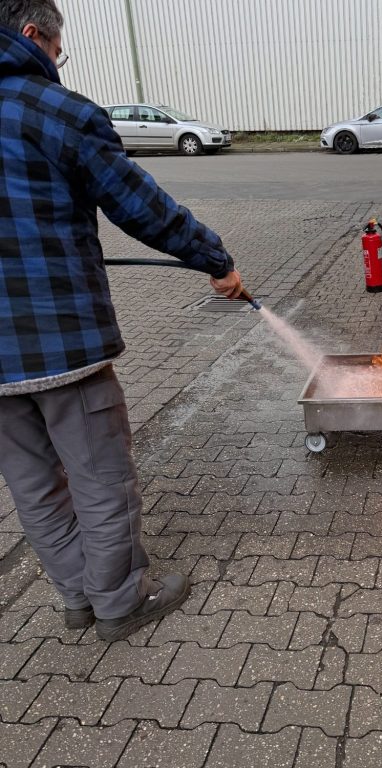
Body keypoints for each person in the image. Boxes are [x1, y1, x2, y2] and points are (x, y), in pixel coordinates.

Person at [0, 0, 244, 642]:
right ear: (33, 35)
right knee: (99, 474)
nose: (58, 61)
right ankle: (120, 601)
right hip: (58, 341)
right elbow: (141, 206)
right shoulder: (54, 110)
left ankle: (78, 597)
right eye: (59, 49)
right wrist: (214, 260)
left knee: (33, 484)